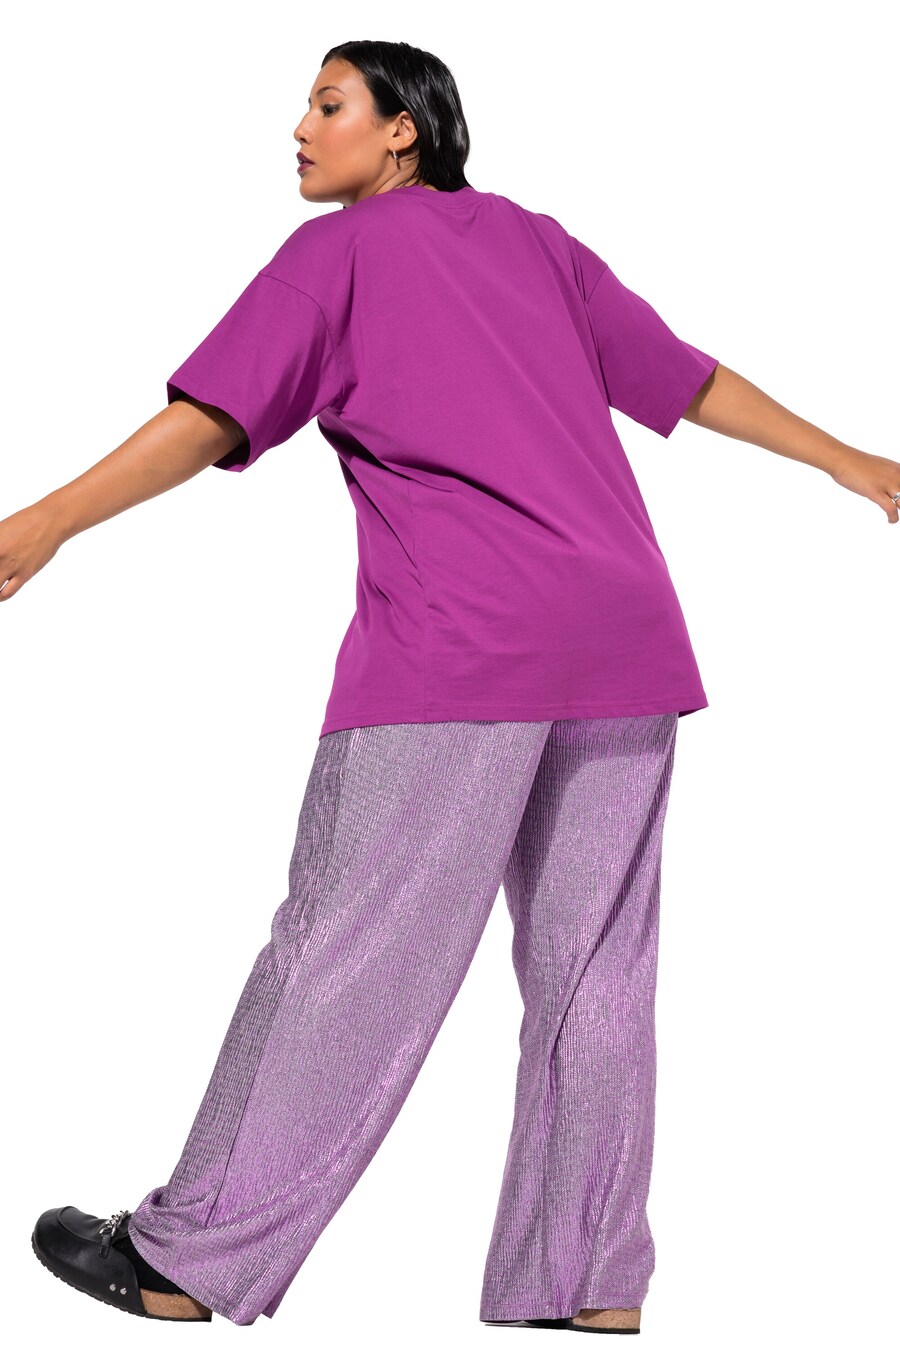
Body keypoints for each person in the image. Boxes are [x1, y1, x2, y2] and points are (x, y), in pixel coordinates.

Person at [9, 37, 898, 1336]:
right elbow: (686, 378)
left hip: (459, 652)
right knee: (596, 972)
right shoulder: (537, 243)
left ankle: (186, 1257)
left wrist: (43, 522)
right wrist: (851, 461)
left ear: (403, 130)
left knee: (345, 952)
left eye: (328, 105)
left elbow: (209, 420)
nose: (299, 128)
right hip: (625, 640)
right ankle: (583, 1283)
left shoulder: (337, 254)